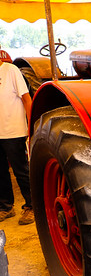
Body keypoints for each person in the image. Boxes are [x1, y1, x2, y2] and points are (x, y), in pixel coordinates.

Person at [0, 49, 33, 225]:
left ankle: (31, 206)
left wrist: (31, 126)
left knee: (21, 171)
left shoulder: (11, 70)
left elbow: (27, 99)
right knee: (0, 172)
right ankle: (6, 207)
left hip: (14, 130)